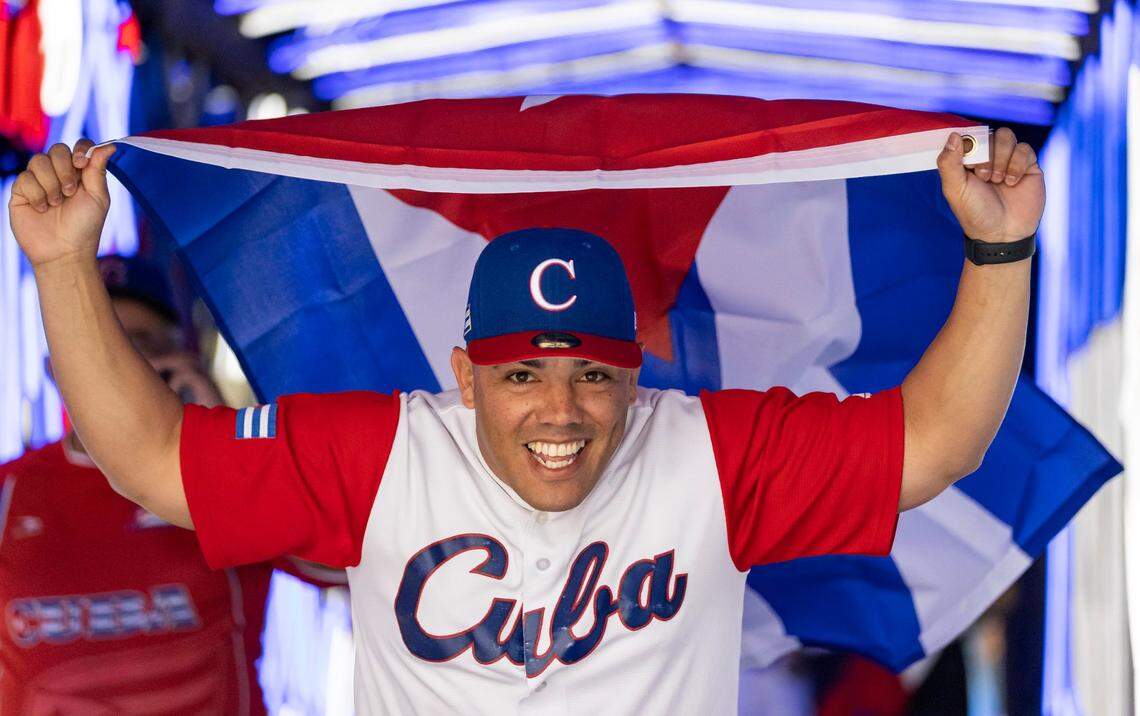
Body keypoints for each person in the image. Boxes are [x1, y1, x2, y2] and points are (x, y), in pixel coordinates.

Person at [7, 128, 1043, 713]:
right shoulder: (381, 453)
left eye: (593, 372)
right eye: (520, 374)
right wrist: (61, 263)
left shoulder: (707, 451)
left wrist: (999, 253)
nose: (561, 408)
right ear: (464, 375)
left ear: (638, 377)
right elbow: (147, 457)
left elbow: (936, 439)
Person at [0, 253, 341, 714]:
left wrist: (230, 447)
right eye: (94, 343)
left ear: (183, 355)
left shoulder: (221, 477)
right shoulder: (9, 491)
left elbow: (339, 570)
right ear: (53, 367)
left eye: (139, 342)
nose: (114, 362)